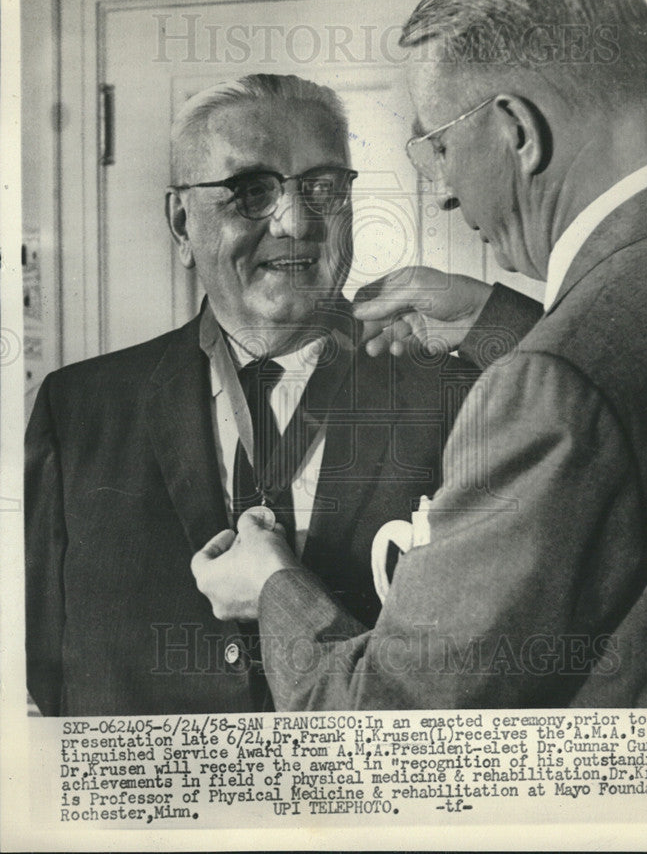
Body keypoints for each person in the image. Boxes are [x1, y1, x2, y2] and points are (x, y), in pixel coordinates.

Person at [192, 0, 647, 710]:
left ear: (517, 129)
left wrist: (271, 587)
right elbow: (643, 414)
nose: (443, 192)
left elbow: (391, 722)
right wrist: (497, 322)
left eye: (439, 148)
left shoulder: (550, 385)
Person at [25, 74, 535, 716]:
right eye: (250, 192)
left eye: (323, 188)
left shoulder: (464, 395)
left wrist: (497, 323)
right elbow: (47, 674)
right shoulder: (77, 413)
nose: (296, 222)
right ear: (182, 223)